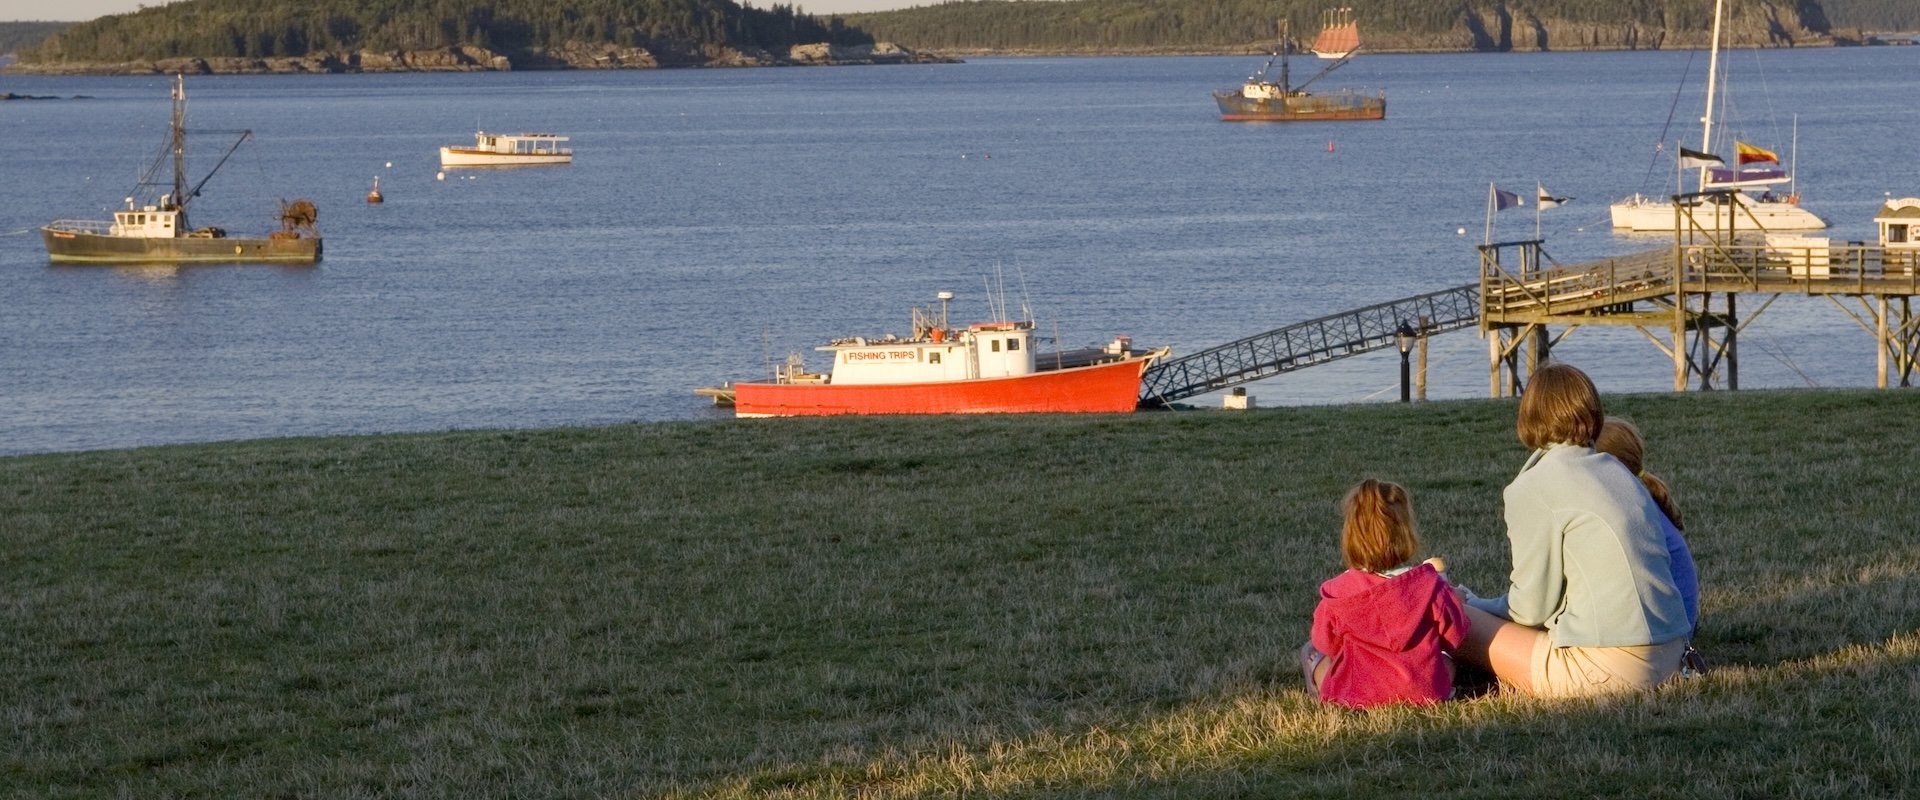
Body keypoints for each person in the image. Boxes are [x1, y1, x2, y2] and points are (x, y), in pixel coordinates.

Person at [1454, 363, 1691, 697]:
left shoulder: (1533, 487)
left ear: (1528, 416)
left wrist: (1472, 602)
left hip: (1610, 669)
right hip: (1673, 656)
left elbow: (1530, 609)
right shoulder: (1619, 472)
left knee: (1448, 614)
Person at [1301, 479, 1470, 708]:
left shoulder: (1338, 592)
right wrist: (1454, 602)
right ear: (1407, 533)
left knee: (1311, 652)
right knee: (1447, 662)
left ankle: (1325, 694)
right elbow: (1453, 637)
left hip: (1357, 693)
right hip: (1422, 690)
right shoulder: (1429, 584)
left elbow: (1325, 643)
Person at [1595, 416, 1699, 634]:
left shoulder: (1628, 514)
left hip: (1664, 637)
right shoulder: (1642, 502)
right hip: (1677, 628)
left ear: (1610, 463)